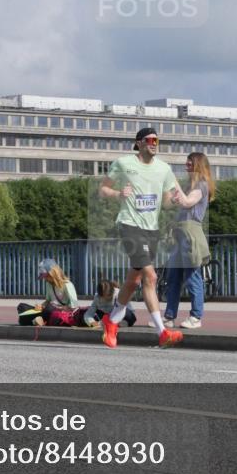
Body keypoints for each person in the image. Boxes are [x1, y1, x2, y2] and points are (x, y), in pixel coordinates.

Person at [97, 127, 184, 349]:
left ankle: (111, 321)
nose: (154, 143)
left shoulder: (164, 169)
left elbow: (165, 202)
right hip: (129, 224)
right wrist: (118, 194)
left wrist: (173, 200)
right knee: (151, 276)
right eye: (150, 140)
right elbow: (102, 190)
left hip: (151, 229)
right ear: (139, 142)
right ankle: (162, 331)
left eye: (157, 140)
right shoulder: (124, 164)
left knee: (135, 280)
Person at [163, 152, 215, 329]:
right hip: (180, 233)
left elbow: (186, 203)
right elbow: (173, 203)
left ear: (198, 165)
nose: (186, 166)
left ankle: (196, 317)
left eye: (190, 163)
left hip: (191, 233)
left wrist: (171, 178)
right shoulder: (189, 185)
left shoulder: (202, 185)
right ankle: (169, 316)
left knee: (193, 276)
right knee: (173, 276)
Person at [33, 258, 79, 326]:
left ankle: (41, 320)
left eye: (46, 276)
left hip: (63, 313)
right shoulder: (48, 284)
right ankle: (41, 320)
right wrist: (41, 306)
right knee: (22, 307)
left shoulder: (67, 285)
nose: (45, 279)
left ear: (52, 274)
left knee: (49, 309)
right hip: (51, 310)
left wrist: (58, 308)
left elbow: (74, 307)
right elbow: (48, 301)